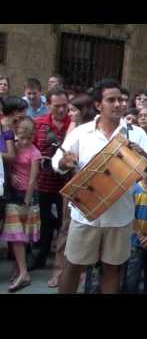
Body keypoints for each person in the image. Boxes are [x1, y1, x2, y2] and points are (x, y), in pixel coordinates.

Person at [52, 78, 147, 294]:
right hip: (84, 215)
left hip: (120, 217)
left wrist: (144, 155)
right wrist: (64, 162)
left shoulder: (135, 133)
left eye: (120, 100)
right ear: (99, 105)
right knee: (73, 266)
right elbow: (57, 161)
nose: (118, 104)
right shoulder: (82, 132)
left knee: (112, 269)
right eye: (111, 100)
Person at [47, 93, 97, 288]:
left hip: (93, 189)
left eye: (73, 109)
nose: (69, 113)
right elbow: (60, 161)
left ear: (84, 110)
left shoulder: (95, 129)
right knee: (66, 228)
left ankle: (84, 272)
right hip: (73, 188)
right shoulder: (74, 128)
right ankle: (59, 271)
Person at [29, 88, 71, 271]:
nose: (61, 110)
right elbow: (31, 150)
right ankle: (40, 256)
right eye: (56, 106)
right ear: (48, 105)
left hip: (67, 184)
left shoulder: (74, 124)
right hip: (44, 182)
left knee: (65, 222)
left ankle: (63, 263)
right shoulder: (38, 124)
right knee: (43, 222)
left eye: (64, 105)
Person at [0, 118, 41, 292]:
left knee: (24, 236)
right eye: (21, 138)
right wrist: (10, 177)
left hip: (27, 197)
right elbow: (7, 167)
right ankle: (23, 271)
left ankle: (21, 270)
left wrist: (27, 198)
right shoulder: (13, 148)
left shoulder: (35, 153)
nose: (24, 142)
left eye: (28, 138)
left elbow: (33, 178)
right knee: (16, 236)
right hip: (12, 196)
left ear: (33, 137)